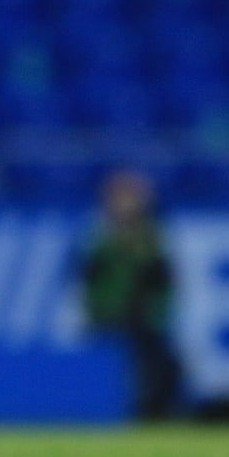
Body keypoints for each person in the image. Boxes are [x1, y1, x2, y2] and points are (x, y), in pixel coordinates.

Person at [83, 169, 183, 420]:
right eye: (121, 198)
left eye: (132, 197)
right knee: (136, 363)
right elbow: (92, 281)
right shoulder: (101, 239)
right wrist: (100, 311)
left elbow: (164, 280)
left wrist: (159, 310)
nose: (127, 204)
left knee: (165, 365)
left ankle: (157, 414)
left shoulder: (152, 237)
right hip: (115, 316)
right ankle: (141, 412)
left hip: (145, 318)